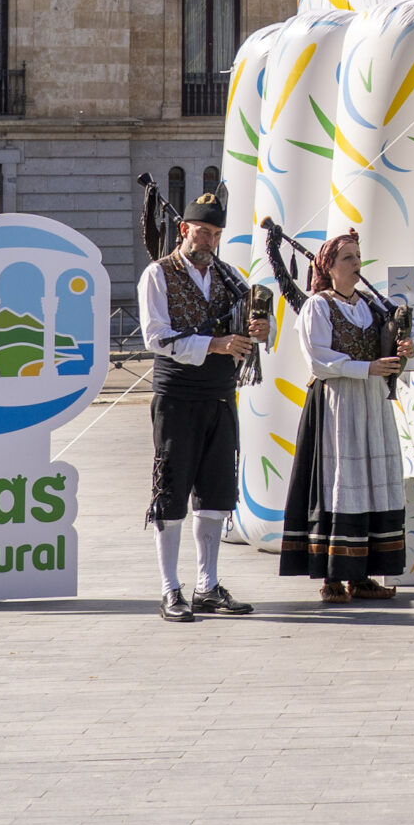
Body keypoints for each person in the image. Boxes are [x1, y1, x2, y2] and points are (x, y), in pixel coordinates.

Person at [138, 189, 267, 623]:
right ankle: (169, 589)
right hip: (177, 396)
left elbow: (247, 331)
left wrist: (258, 330)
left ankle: (207, 587)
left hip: (220, 394)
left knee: (215, 494)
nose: (209, 240)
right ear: (184, 229)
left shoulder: (229, 276)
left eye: (215, 234)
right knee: (171, 492)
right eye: (202, 231)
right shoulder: (158, 274)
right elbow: (156, 336)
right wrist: (215, 344)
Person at [279, 230, 412, 602]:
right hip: (338, 402)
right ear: (329, 267)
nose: (357, 264)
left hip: (372, 402)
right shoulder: (317, 306)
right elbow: (319, 361)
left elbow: (389, 346)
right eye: (348, 258)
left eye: (358, 256)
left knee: (371, 480)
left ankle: (363, 575)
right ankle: (332, 576)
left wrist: (403, 349)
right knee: (340, 479)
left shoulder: (371, 304)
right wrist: (366, 368)